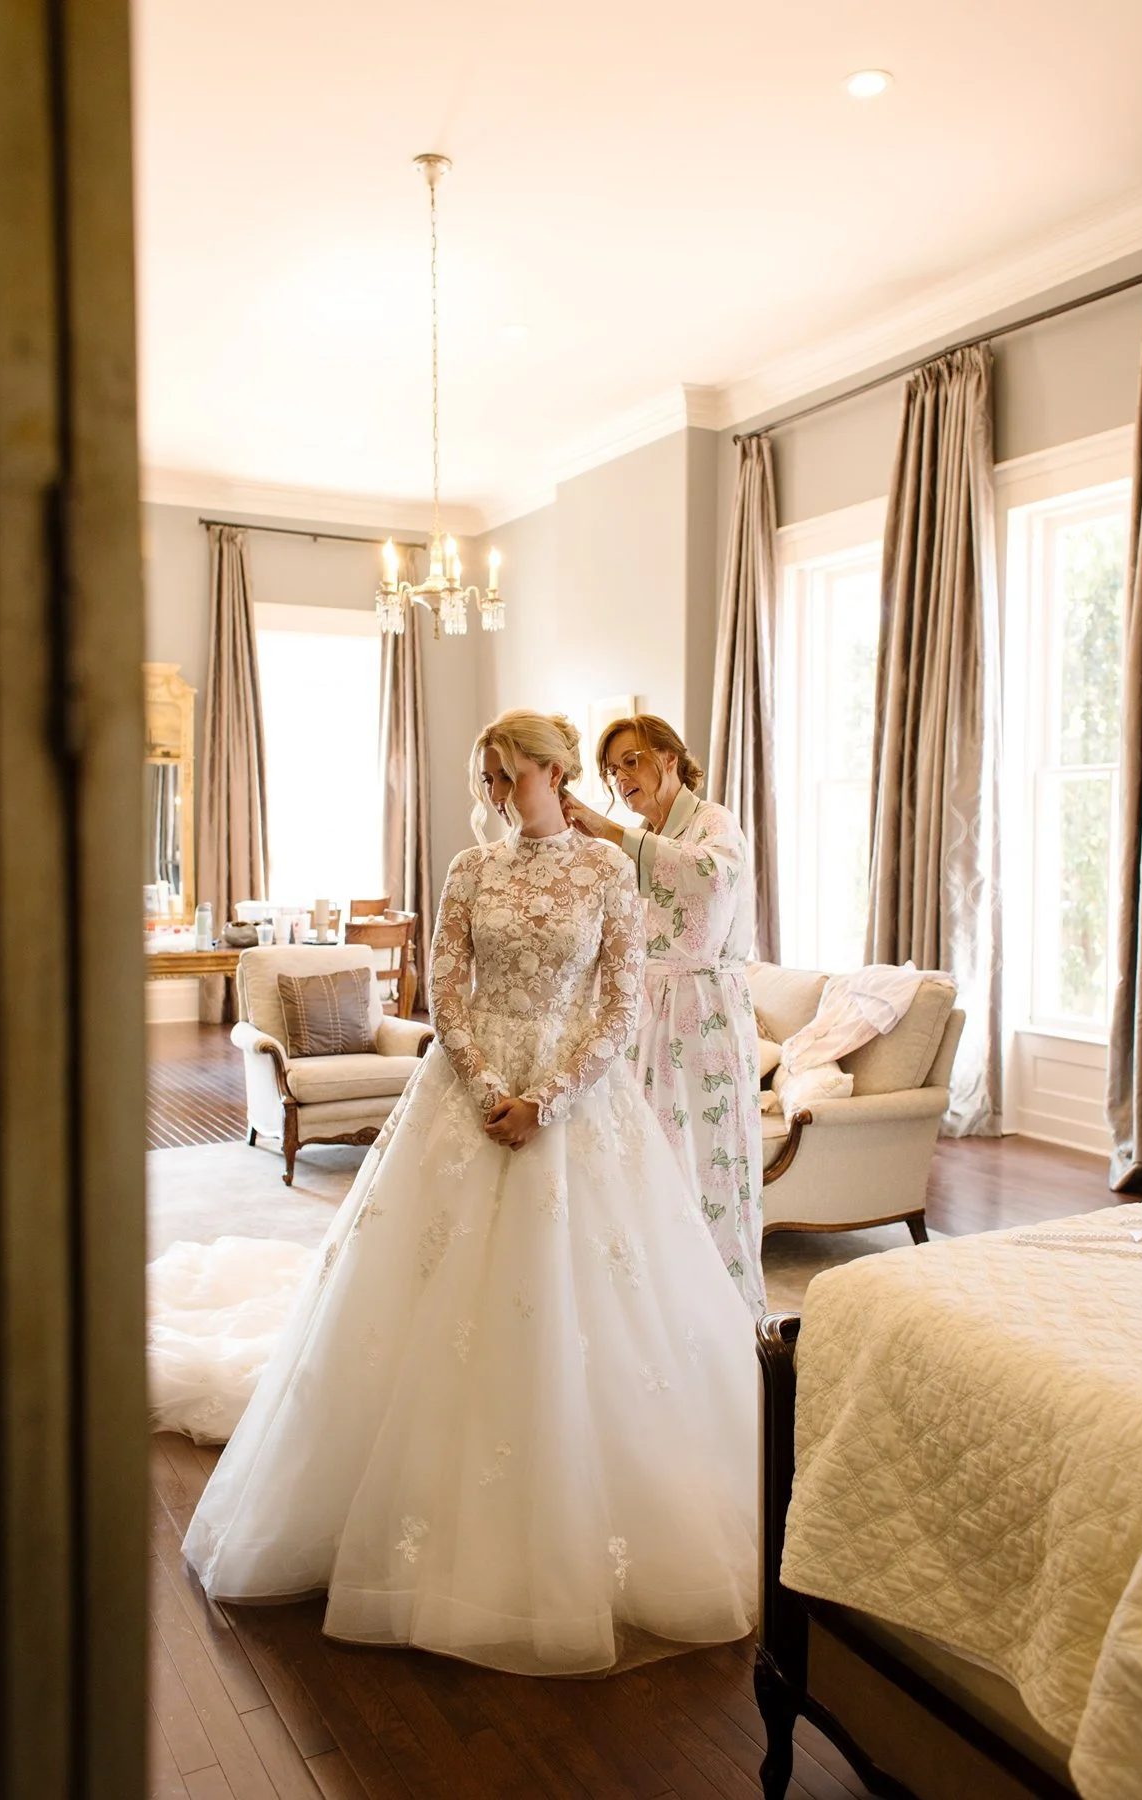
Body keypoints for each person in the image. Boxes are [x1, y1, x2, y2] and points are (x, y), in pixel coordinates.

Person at [178, 709, 757, 1677]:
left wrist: (553, 1097)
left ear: (549, 772)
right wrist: (492, 1088)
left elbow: (620, 999)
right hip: (469, 1097)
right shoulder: (469, 871)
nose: (493, 797)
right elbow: (444, 992)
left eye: (506, 777)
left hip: (578, 1105)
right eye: (485, 780)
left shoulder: (611, 871)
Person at [562, 715, 765, 1315]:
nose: (621, 778)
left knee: (703, 1162)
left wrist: (609, 831)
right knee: (644, 1161)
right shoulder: (638, 839)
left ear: (669, 758)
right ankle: (655, 1312)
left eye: (631, 761)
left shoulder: (713, 823)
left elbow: (706, 879)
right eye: (612, 770)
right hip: (644, 1022)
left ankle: (718, 1311)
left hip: (704, 1019)